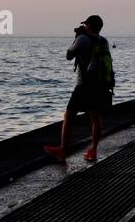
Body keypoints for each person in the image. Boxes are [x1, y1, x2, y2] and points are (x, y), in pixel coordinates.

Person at [46, 15, 114, 162]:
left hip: (84, 85)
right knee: (96, 117)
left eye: (86, 25)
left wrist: (77, 37)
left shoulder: (83, 39)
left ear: (89, 26)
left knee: (69, 116)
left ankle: (63, 150)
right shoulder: (103, 41)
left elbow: (69, 55)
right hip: (100, 85)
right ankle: (93, 150)